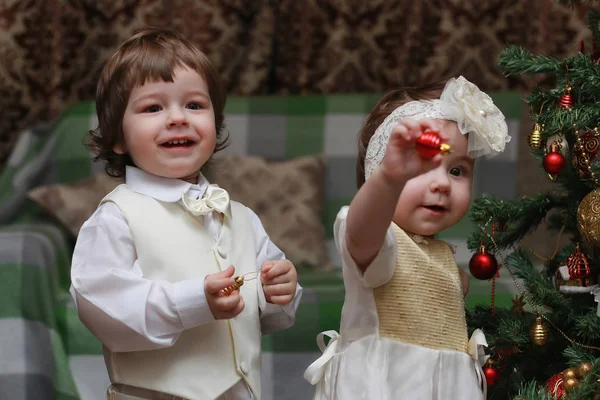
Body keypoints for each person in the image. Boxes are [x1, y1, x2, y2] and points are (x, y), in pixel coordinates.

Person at [70, 27, 302, 400]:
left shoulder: (241, 216)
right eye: (152, 107)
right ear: (117, 136)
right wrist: (191, 302)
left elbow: (266, 315)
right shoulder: (117, 217)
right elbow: (103, 308)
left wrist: (280, 292)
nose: (178, 118)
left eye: (194, 105)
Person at [304, 76, 510, 400]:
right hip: (385, 386)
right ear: (379, 172)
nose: (442, 183)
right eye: (422, 166)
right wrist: (389, 179)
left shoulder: (441, 256)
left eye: (457, 170)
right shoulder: (375, 240)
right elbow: (361, 231)